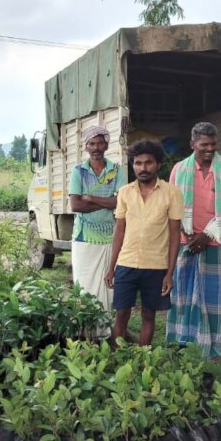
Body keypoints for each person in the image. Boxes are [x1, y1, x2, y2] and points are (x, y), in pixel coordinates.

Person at [166, 122, 221, 358]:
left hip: (212, 241)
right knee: (182, 295)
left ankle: (212, 346)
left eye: (213, 144)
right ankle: (181, 342)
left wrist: (207, 235)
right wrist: (187, 234)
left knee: (211, 297)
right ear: (192, 144)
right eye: (204, 144)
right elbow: (173, 206)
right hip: (185, 241)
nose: (209, 149)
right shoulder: (179, 169)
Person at [104, 140, 183, 345]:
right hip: (126, 263)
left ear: (157, 164)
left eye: (148, 163)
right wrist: (111, 268)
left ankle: (143, 362)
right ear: (133, 165)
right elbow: (119, 231)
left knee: (149, 315)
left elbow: (175, 235)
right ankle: (117, 360)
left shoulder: (172, 193)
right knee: (121, 313)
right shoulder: (125, 192)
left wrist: (169, 273)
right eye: (138, 163)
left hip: (156, 265)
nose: (143, 168)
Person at [68, 125, 120, 322]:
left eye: (100, 143)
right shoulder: (78, 171)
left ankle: (106, 329)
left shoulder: (115, 171)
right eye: (92, 143)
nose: (96, 147)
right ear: (86, 147)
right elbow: (76, 205)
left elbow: (120, 202)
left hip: (108, 238)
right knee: (84, 284)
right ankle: (87, 329)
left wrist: (91, 198)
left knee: (107, 287)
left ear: (106, 145)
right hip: (83, 238)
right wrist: (106, 203)